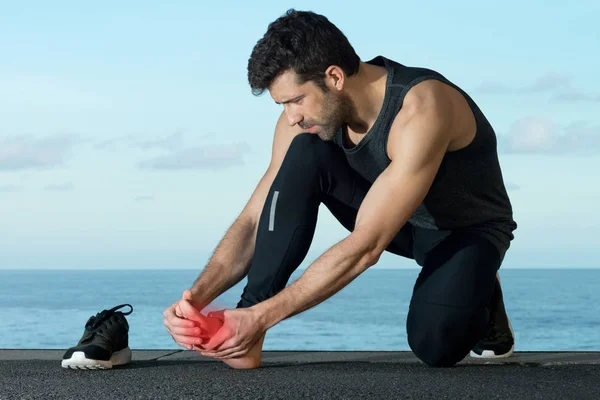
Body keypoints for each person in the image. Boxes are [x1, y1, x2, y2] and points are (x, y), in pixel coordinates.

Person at [163, 9, 517, 369]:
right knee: (304, 150)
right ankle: (246, 332)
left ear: (334, 77)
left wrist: (264, 316)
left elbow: (367, 245)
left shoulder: (422, 108)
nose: (291, 116)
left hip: (464, 233)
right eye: (282, 104)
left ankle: (483, 287)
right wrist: (196, 299)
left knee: (434, 345)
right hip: (398, 222)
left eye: (295, 100)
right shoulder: (305, 121)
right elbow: (258, 218)